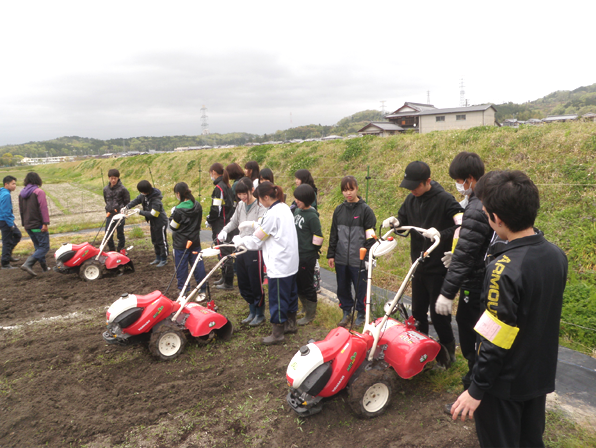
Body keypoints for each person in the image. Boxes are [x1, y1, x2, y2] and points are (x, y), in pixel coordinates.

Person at [451, 170, 568, 448]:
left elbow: (495, 337)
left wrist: (476, 388)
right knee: (530, 440)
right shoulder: (556, 255)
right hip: (538, 374)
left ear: (497, 219)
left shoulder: (502, 269)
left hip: (503, 383)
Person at [383, 161, 463, 365]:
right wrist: (395, 224)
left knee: (439, 315)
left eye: (415, 186)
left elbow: (461, 225)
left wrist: (441, 234)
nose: (412, 190)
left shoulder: (445, 199)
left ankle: (447, 354)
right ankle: (420, 351)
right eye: (408, 186)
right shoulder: (411, 200)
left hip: (439, 267)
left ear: (427, 181)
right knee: (418, 312)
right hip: (418, 266)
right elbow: (403, 226)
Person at [435, 152, 493, 391]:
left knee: (471, 329)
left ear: (470, 178)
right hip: (482, 274)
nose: (458, 185)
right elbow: (469, 242)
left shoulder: (477, 207)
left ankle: (475, 381)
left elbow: (468, 253)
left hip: (477, 280)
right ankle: (475, 376)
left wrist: (447, 292)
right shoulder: (482, 200)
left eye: (459, 180)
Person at [233, 181, 299, 345]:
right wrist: (254, 223)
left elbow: (256, 240)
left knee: (277, 298)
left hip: (279, 263)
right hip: (290, 261)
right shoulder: (283, 207)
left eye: (260, 200)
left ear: (266, 197)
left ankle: (277, 333)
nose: (260, 203)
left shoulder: (272, 214)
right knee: (290, 294)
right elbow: (267, 226)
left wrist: (240, 241)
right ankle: (291, 323)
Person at [328, 176, 377, 327]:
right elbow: (333, 234)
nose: (348, 193)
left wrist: (367, 257)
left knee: (361, 288)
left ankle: (362, 314)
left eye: (351, 189)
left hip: (359, 259)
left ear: (357, 189)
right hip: (341, 258)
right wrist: (331, 254)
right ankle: (346, 312)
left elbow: (371, 238)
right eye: (345, 190)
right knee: (342, 287)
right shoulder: (339, 210)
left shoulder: (365, 210)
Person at [218, 177, 267, 326]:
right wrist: (224, 231)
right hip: (240, 247)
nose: (242, 197)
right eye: (239, 195)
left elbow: (260, 226)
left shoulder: (260, 206)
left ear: (251, 190)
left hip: (253, 248)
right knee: (243, 280)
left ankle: (260, 313)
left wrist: (248, 235)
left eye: (244, 194)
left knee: (255, 281)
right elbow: (234, 221)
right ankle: (251, 310)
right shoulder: (240, 205)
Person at [293, 184, 323, 325]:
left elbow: (318, 236)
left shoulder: (312, 216)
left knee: (307, 284)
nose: (296, 201)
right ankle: (304, 308)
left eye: (299, 199)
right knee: (298, 283)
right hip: (296, 254)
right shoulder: (297, 212)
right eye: (296, 198)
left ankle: (310, 314)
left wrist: (311, 249)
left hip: (307, 256)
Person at [169, 182, 206, 296]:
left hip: (181, 244)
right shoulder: (197, 205)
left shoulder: (178, 210)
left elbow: (173, 226)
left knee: (181, 267)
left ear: (178, 194)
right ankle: (202, 288)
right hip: (194, 241)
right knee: (198, 265)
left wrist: (171, 216)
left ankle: (184, 290)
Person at [124, 180, 169, 267]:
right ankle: (158, 257)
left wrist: (140, 212)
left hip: (160, 222)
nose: (141, 193)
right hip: (153, 222)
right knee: (154, 240)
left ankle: (164, 258)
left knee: (161, 241)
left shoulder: (156, 199)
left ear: (147, 190)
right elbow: (137, 200)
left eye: (142, 191)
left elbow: (153, 214)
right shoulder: (144, 195)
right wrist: (127, 207)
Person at [206, 163, 235, 289]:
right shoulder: (227, 185)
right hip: (227, 222)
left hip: (221, 223)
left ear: (213, 172)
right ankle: (224, 277)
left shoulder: (219, 188)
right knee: (224, 250)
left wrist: (210, 219)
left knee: (224, 251)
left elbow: (216, 208)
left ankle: (228, 282)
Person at [18, 172, 51, 276]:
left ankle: (44, 268)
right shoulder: (39, 192)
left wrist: (24, 224)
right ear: (38, 180)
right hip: (38, 225)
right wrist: (45, 223)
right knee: (44, 247)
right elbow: (43, 208)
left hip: (28, 225)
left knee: (38, 247)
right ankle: (28, 263)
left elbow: (21, 210)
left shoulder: (21, 193)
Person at [103, 168, 130, 253]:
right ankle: (112, 251)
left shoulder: (123, 189)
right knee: (108, 234)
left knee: (120, 234)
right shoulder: (105, 189)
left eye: (115, 178)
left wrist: (122, 212)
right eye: (111, 178)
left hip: (120, 215)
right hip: (109, 215)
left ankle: (120, 250)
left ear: (118, 178)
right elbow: (106, 200)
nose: (113, 180)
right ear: (109, 178)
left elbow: (127, 202)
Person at [0, 175, 22, 269]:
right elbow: (6, 211)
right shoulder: (6, 195)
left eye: (15, 183)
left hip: (4, 219)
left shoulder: (2, 192)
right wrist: (10, 225)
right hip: (5, 221)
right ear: (6, 184)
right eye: (13, 184)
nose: (15, 186)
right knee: (7, 241)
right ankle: (5, 263)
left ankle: (8, 255)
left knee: (17, 235)